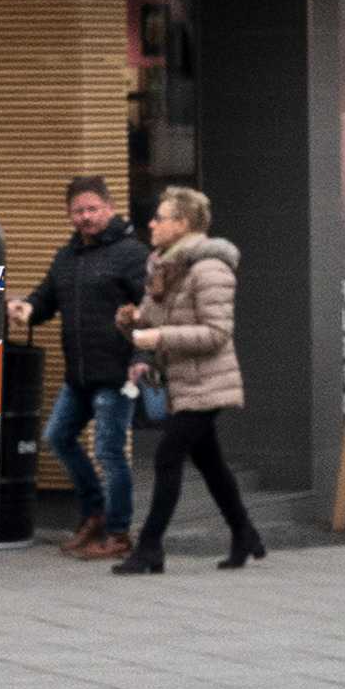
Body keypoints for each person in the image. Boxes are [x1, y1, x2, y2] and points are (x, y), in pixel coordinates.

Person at [115, 183, 266, 573]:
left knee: (167, 455)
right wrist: (130, 321)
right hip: (184, 382)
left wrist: (159, 337)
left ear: (182, 223)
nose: (151, 224)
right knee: (210, 463)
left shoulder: (210, 269)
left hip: (208, 383)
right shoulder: (166, 265)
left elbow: (217, 334)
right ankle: (244, 532)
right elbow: (150, 320)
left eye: (160, 218)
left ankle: (149, 547)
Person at [22, 177, 146, 565]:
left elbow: (153, 312)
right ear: (69, 214)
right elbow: (43, 301)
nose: (86, 217)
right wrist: (21, 308)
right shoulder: (66, 257)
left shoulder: (131, 253)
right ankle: (94, 514)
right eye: (78, 210)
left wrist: (142, 359)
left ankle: (120, 532)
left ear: (109, 207)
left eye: (92, 208)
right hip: (79, 375)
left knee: (109, 452)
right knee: (58, 437)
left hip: (117, 373)